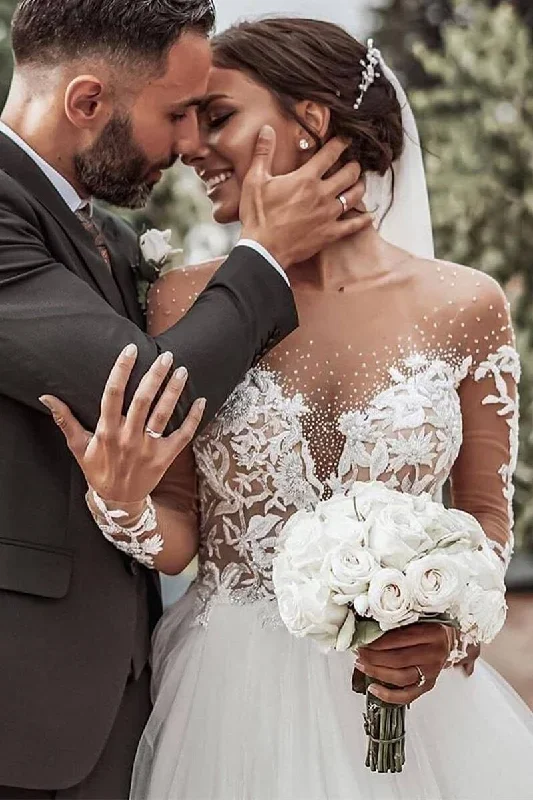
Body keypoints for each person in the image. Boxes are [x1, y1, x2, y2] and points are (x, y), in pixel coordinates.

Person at [46, 18, 533, 800]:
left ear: (309, 121)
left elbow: (482, 521)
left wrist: (439, 631)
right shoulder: (184, 302)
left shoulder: (465, 305)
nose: (191, 147)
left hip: (410, 709)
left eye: (218, 117)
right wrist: (122, 500)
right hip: (229, 701)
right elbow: (179, 540)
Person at [0, 2, 369, 797]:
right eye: (175, 115)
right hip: (19, 705)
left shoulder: (116, 241)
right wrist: (265, 257)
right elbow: (149, 396)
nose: (189, 145)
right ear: (88, 103)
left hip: (123, 699)